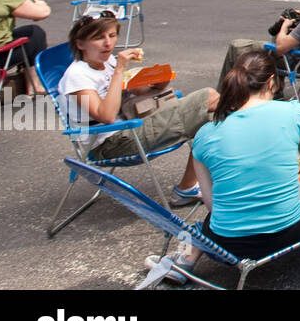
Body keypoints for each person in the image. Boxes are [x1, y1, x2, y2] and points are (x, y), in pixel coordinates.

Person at [149, 47, 300, 282]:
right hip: (289, 232)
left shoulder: (204, 135)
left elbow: (212, 205)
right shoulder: (295, 112)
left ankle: (184, 260)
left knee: (205, 225)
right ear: (270, 82)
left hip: (229, 243)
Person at [59, 13, 219, 206]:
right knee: (209, 97)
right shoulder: (77, 76)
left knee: (212, 118)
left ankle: (187, 188)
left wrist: (160, 80)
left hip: (134, 124)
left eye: (111, 35)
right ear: (80, 44)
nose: (108, 44)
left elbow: (142, 91)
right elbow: (107, 116)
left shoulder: (107, 63)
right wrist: (119, 70)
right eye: (98, 37)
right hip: (111, 144)